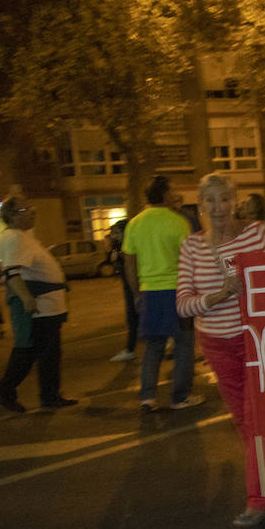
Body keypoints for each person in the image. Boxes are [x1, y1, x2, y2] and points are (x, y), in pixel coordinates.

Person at [177, 174, 265, 528]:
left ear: (234, 200)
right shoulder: (191, 247)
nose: (217, 207)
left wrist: (257, 288)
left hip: (256, 342)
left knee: (258, 420)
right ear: (200, 205)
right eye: (209, 200)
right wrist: (218, 295)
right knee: (243, 420)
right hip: (215, 344)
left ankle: (258, 498)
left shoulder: (257, 234)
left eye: (223, 199)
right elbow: (183, 305)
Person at [123, 175, 201, 413]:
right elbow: (192, 259)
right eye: (172, 191)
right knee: (184, 344)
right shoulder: (179, 222)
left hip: (150, 293)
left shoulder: (135, 224)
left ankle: (147, 397)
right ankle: (180, 397)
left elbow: (129, 262)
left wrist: (137, 292)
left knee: (154, 346)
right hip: (178, 291)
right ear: (165, 194)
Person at [0, 196, 76, 413]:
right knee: (34, 352)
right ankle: (8, 391)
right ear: (12, 215)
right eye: (26, 209)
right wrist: (27, 299)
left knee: (47, 352)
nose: (33, 212)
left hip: (49, 305)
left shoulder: (23, 236)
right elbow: (11, 272)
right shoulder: (13, 238)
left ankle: (49, 395)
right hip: (41, 306)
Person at [106, 218, 137, 362]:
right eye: (113, 233)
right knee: (132, 318)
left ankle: (131, 349)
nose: (114, 235)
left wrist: (136, 292)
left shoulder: (129, 247)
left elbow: (131, 268)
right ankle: (130, 348)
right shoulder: (117, 247)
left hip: (135, 287)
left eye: (117, 232)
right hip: (128, 287)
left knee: (136, 317)